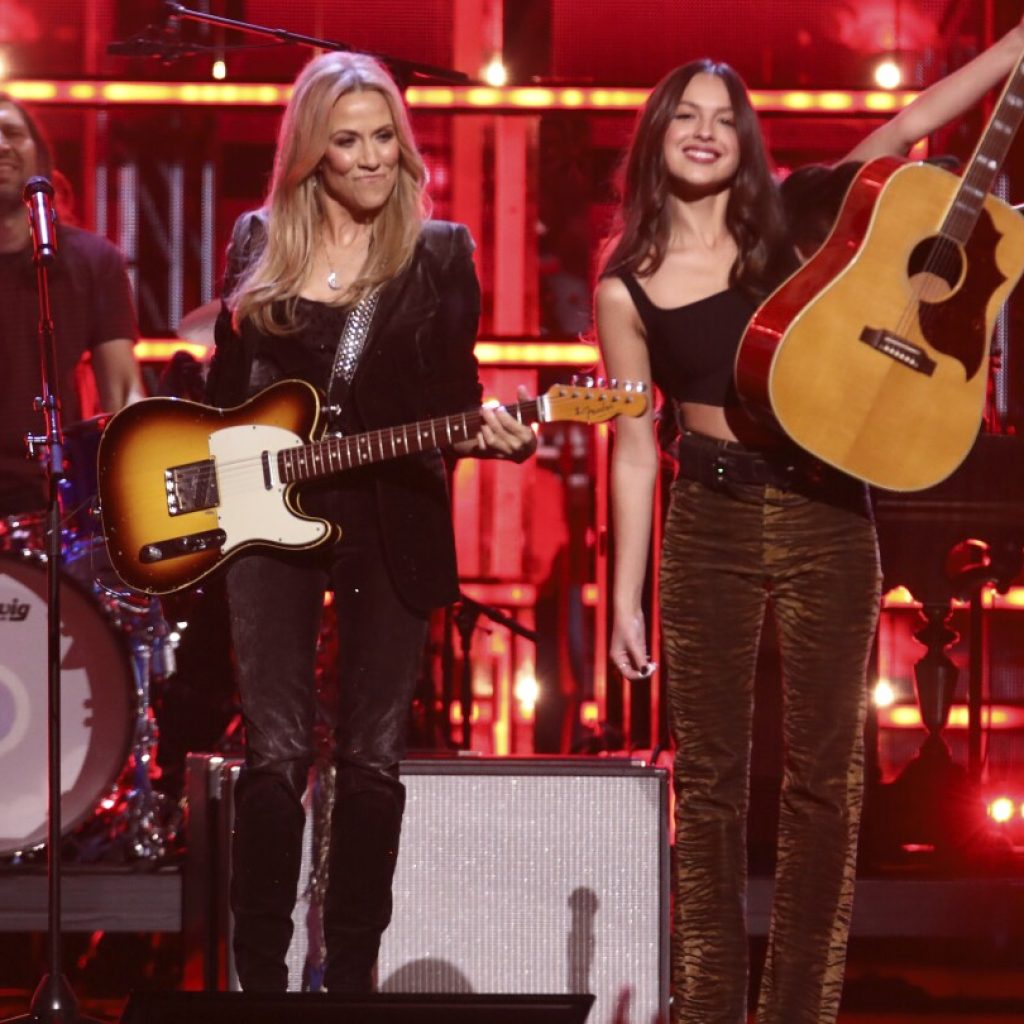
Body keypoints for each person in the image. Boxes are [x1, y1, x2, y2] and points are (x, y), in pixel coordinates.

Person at [595, 19, 1024, 1024]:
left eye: (723, 121)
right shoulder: (625, 286)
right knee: (705, 787)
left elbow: (908, 125)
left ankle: (799, 1011)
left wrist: (1010, 53)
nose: (704, 133)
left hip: (827, 509)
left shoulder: (792, 227)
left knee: (826, 784)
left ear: (745, 142)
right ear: (655, 138)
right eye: (684, 118)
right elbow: (626, 441)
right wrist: (624, 591)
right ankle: (707, 1007)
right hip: (703, 514)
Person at [206, 50, 536, 993]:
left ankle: (351, 975)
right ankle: (259, 981)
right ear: (309, 152)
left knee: (372, 755)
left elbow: (458, 400)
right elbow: (223, 397)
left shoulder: (441, 253)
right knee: (272, 750)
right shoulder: (258, 240)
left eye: (383, 136)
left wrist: (497, 436)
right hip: (271, 520)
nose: (370, 157)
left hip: (394, 519)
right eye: (345, 140)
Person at [0, 93, 143, 520]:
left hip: (53, 500)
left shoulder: (94, 262)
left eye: (12, 134)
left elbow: (121, 392)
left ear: (39, 157)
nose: (2, 146)